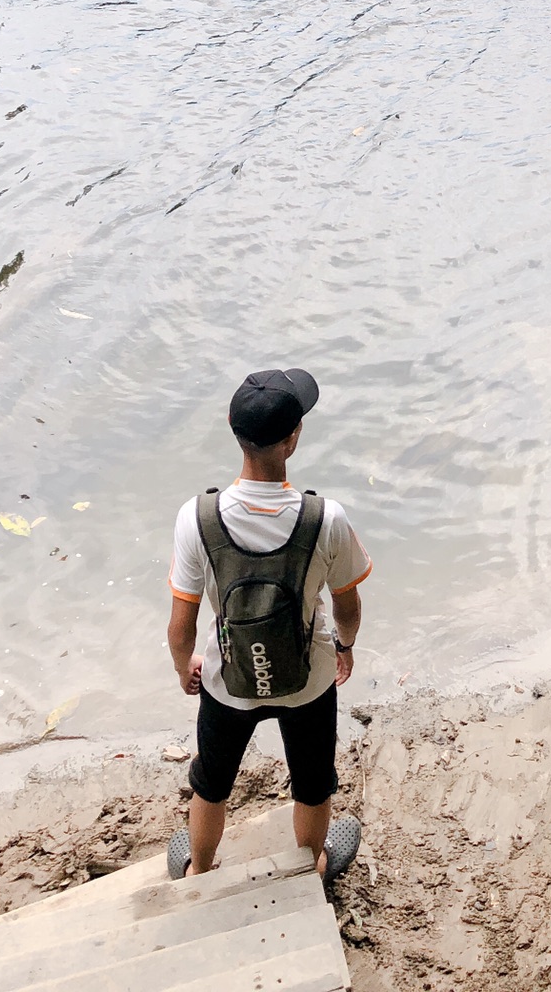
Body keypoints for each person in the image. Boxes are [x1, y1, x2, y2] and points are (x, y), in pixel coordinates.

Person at [166, 368, 370, 885]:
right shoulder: (326, 518)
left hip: (227, 683)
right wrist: (343, 647)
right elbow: (348, 604)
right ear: (293, 438)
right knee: (312, 781)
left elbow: (181, 624)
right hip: (307, 681)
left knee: (211, 783)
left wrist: (184, 667)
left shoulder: (197, 517)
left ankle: (200, 869)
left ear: (235, 431)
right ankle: (312, 864)